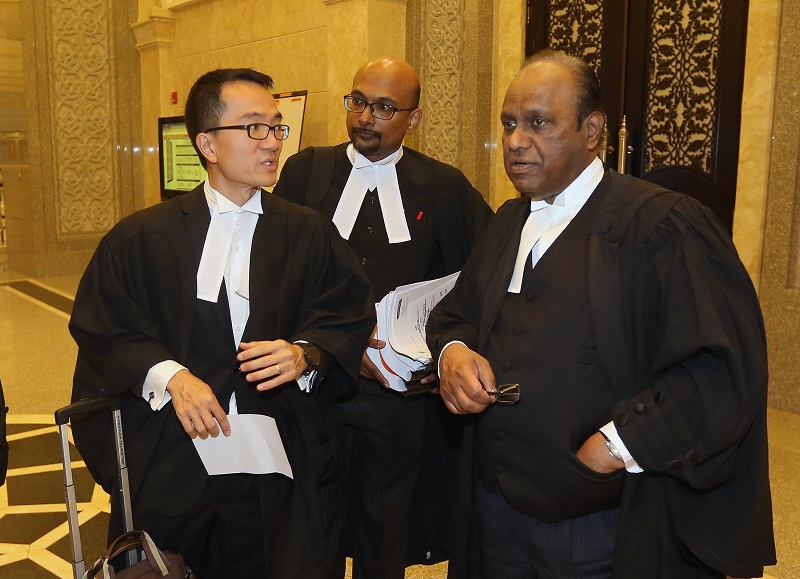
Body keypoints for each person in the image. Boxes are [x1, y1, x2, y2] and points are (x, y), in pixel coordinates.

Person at [426, 49, 776, 579]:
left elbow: (723, 371)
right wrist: (453, 354)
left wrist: (611, 448)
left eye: (539, 123)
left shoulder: (662, 226)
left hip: (601, 523)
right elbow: (456, 315)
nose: (516, 141)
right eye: (510, 123)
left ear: (592, 130)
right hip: (495, 512)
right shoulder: (505, 223)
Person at [68, 68, 375, 579]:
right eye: (253, 127)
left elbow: (346, 315)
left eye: (276, 127)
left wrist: (305, 352)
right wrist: (172, 376)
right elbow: (106, 328)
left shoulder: (310, 234)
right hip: (172, 457)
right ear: (207, 144)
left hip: (272, 463)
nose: (272, 142)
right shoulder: (141, 238)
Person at [273, 56, 493, 578]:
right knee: (314, 520)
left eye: (384, 108)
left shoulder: (442, 186)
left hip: (395, 395)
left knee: (387, 523)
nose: (365, 117)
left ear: (412, 120)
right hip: (318, 381)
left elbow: (479, 271)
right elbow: (277, 271)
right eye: (358, 102)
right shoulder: (306, 172)